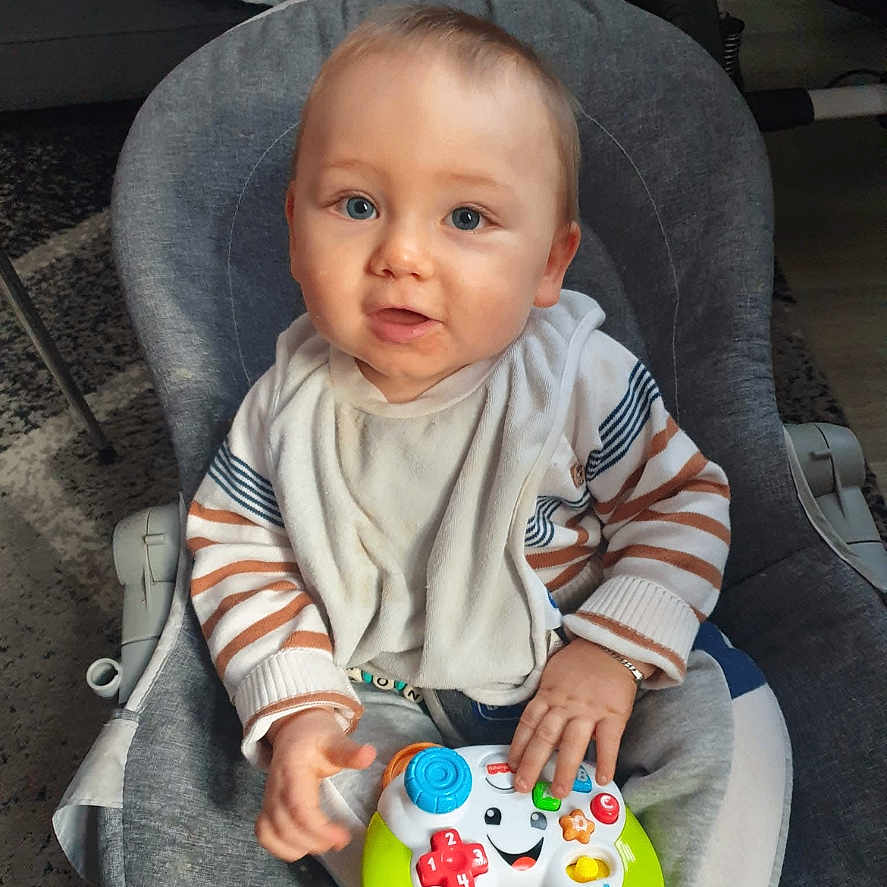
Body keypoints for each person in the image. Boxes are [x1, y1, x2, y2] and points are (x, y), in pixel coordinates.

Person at [185, 4, 791, 886]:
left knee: (719, 720)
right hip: (390, 690)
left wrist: (613, 651)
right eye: (356, 205)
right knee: (325, 785)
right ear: (292, 225)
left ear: (550, 262)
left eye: (465, 218)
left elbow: (683, 503)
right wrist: (301, 710)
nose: (400, 253)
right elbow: (239, 558)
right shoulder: (283, 410)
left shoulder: (579, 379)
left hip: (573, 647)